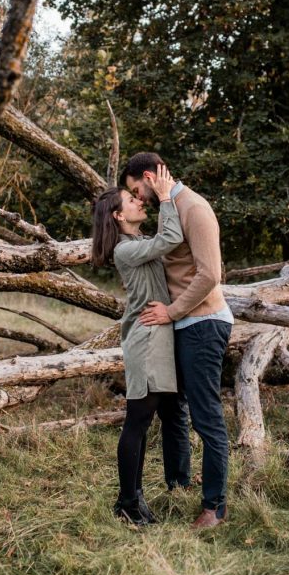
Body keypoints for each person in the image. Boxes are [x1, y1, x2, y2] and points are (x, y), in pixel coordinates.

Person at [122, 152, 233, 529]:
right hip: (183, 326)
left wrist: (170, 312)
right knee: (174, 410)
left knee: (206, 416)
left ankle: (215, 508)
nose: (138, 197)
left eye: (136, 188)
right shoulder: (172, 207)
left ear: (149, 177)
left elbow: (210, 275)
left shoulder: (194, 207)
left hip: (202, 323)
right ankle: (178, 485)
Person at [91, 164, 183, 526]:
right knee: (137, 422)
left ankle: (135, 497)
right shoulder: (125, 250)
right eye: (132, 200)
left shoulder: (135, 245)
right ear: (118, 215)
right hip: (145, 342)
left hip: (156, 339)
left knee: (143, 423)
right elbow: (170, 238)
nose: (139, 201)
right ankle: (126, 502)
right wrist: (165, 197)